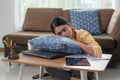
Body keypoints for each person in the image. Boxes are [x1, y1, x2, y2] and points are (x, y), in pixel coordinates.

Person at [28, 16, 102, 80]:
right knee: (48, 67)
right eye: (59, 33)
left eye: (64, 29)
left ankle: (65, 77)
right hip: (64, 65)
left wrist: (76, 42)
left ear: (69, 25)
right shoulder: (57, 40)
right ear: (55, 35)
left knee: (85, 71)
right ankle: (71, 78)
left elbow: (98, 51)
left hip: (81, 63)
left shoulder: (83, 34)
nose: (64, 34)